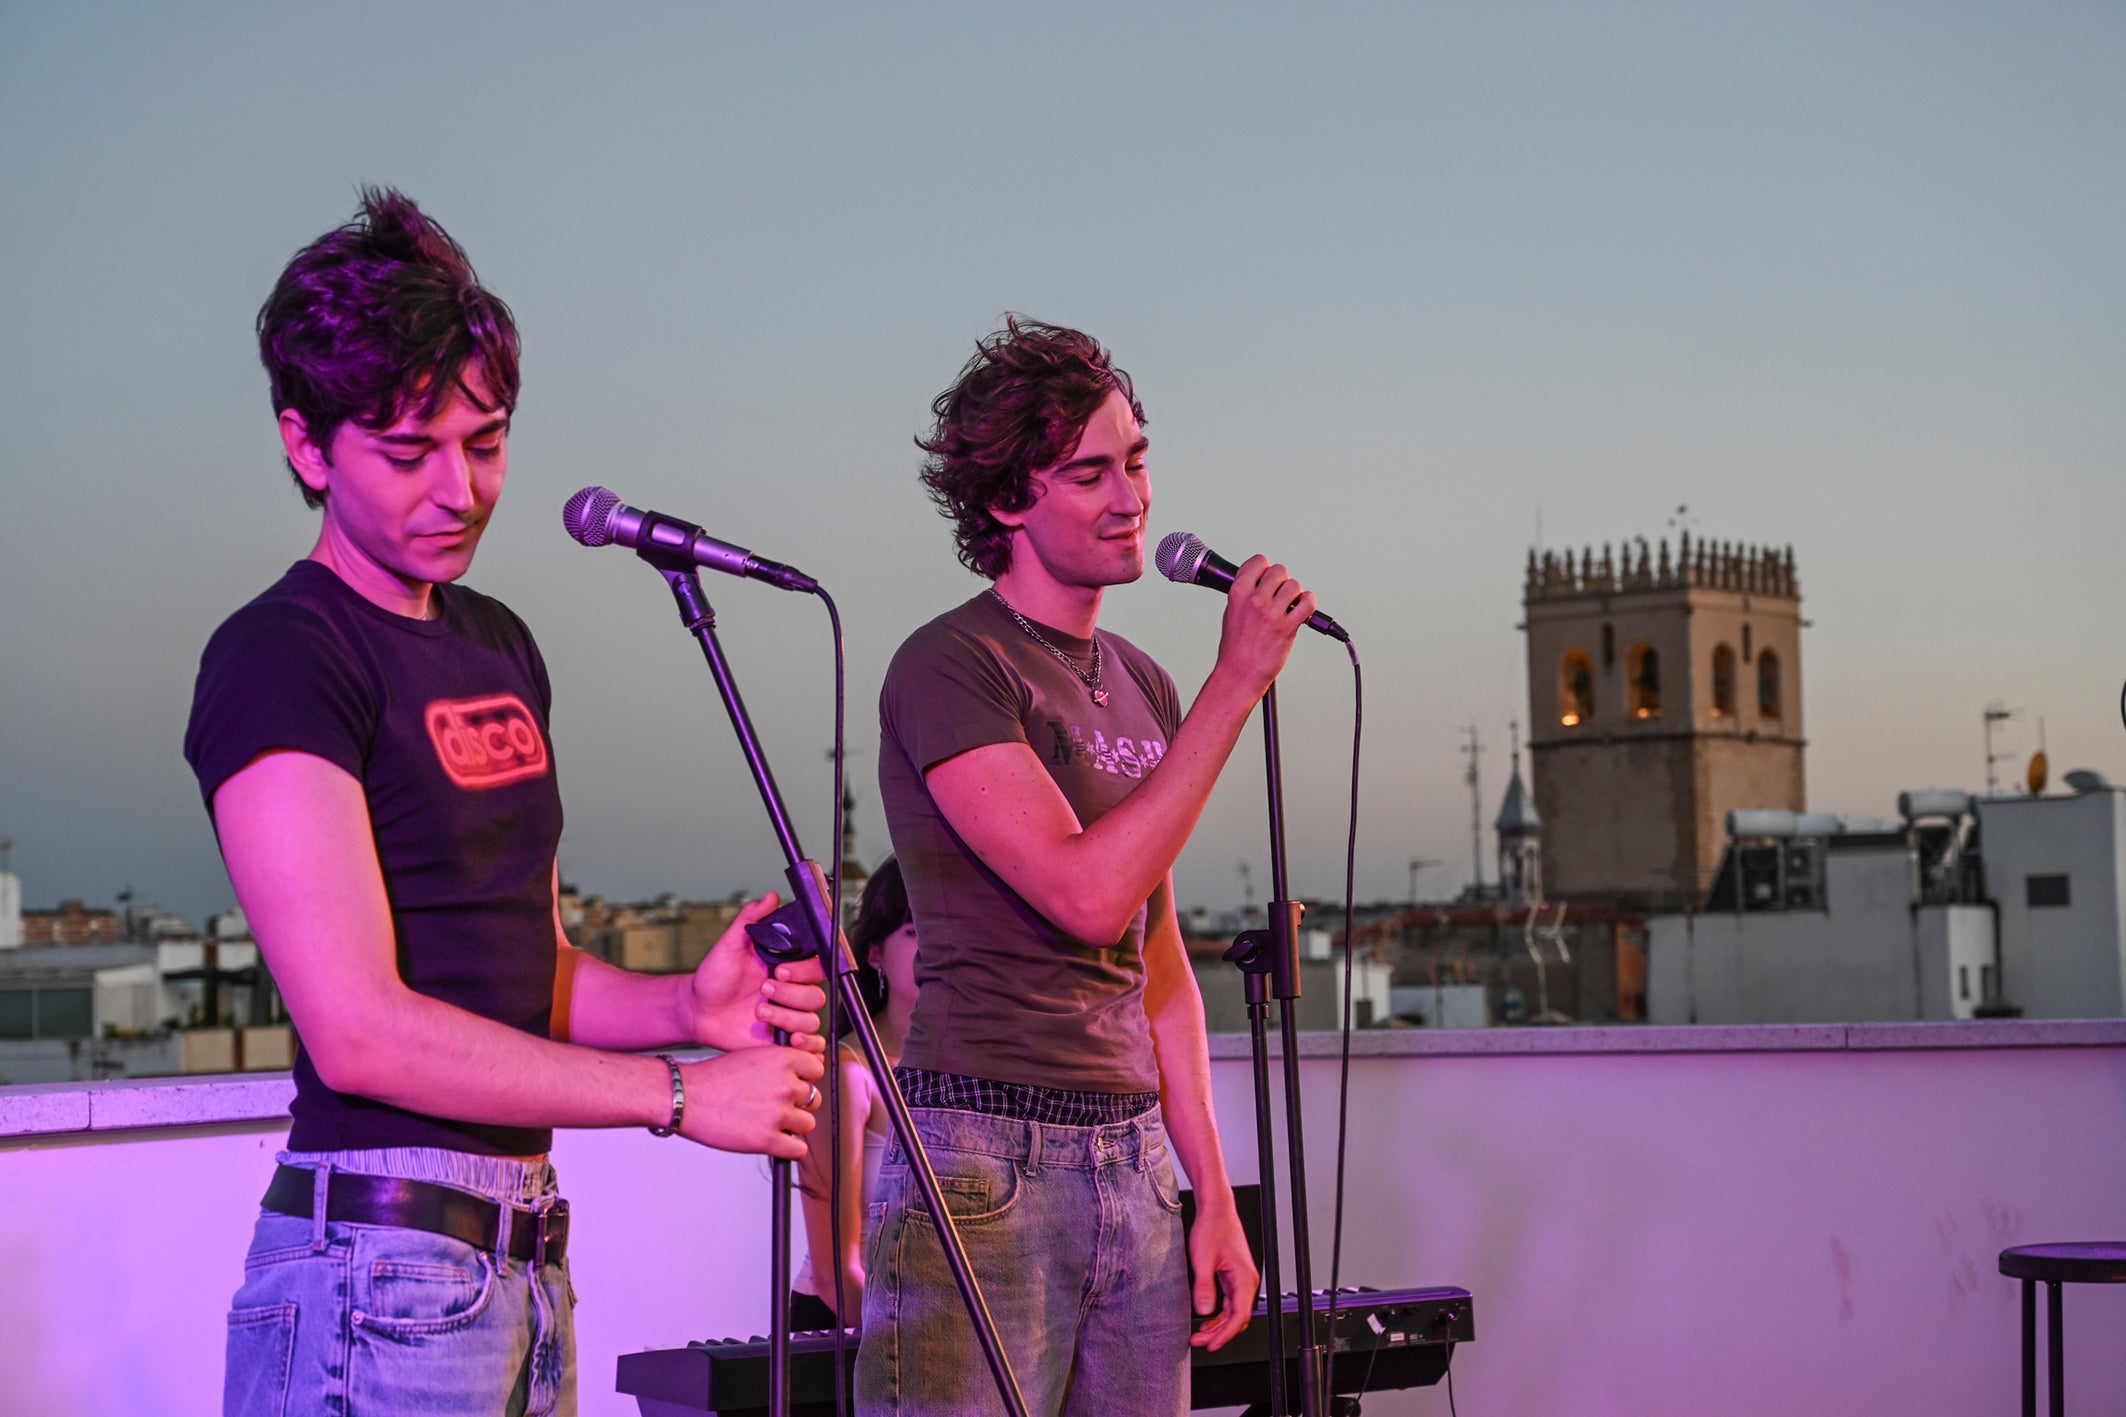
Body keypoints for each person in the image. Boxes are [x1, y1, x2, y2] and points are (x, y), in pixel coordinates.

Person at [184, 187, 827, 1417]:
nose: (459, 489)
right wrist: (679, 1095)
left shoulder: (498, 644)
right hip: (375, 1272)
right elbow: (359, 1029)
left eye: (484, 443)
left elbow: (529, 971)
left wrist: (687, 1008)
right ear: (307, 447)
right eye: (407, 453)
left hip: (519, 1266)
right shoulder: (282, 653)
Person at [859, 318, 1314, 1415]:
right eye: (1089, 473)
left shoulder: (1145, 682)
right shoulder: (952, 663)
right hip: (983, 1154)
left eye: (1136, 461)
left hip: (1133, 1160)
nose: (1130, 497)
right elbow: (1085, 893)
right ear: (1007, 500)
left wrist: (1211, 1192)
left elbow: (1156, 959)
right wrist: (1235, 686)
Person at [790, 857, 921, 1331]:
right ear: (875, 954)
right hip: (852, 1324)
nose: (934, 949)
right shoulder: (848, 1071)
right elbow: (835, 1275)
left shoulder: (973, 1069)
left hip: (934, 1323)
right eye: (914, 931)